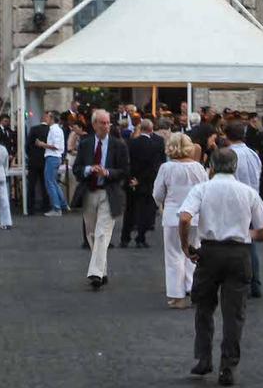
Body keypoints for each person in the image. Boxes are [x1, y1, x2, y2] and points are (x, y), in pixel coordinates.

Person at [178, 147, 263, 386]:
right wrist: (245, 233)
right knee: (234, 314)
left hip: (209, 252)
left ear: (211, 166)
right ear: (235, 166)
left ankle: (203, 359)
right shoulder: (248, 192)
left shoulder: (201, 189)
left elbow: (185, 218)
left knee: (203, 308)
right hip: (238, 254)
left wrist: (186, 246)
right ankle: (228, 367)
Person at [71, 108, 130, 290]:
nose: (106, 126)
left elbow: (125, 171)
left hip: (109, 192)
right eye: (102, 123)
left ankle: (95, 273)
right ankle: (102, 271)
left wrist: (108, 172)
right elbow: (77, 169)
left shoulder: (118, 145)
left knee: (102, 232)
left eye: (108, 123)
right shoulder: (85, 144)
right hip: (89, 192)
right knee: (91, 234)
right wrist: (89, 169)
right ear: (94, 124)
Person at [153, 132, 208, 308]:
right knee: (193, 253)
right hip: (195, 216)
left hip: (172, 216)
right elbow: (206, 191)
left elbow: (157, 194)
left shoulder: (166, 168)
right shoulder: (198, 168)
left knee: (174, 255)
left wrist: (163, 202)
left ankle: (177, 296)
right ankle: (192, 288)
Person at [225, 122, 263, 298]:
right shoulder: (253, 154)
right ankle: (255, 282)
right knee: (249, 242)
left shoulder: (229, 154)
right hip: (253, 199)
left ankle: (244, 282)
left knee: (236, 244)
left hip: (235, 201)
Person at [122, 117, 165, 248]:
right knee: (145, 210)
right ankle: (140, 237)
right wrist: (141, 180)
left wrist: (132, 179)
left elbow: (126, 162)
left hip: (131, 180)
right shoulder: (155, 145)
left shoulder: (131, 143)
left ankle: (125, 238)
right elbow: (154, 167)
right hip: (147, 182)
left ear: (140, 129)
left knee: (129, 210)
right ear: (151, 130)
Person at [37, 110, 69, 216]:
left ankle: (56, 208)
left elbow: (55, 146)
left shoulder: (54, 130)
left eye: (48, 117)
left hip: (52, 157)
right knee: (54, 182)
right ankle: (63, 204)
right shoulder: (57, 129)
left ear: (52, 118)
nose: (45, 118)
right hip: (56, 157)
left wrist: (42, 144)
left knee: (49, 182)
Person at [25, 114, 51, 213]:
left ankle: (30, 207)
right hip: (46, 160)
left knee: (31, 184)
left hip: (34, 160)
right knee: (45, 184)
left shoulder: (33, 129)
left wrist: (31, 155)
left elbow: (27, 145)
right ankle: (46, 206)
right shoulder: (50, 130)